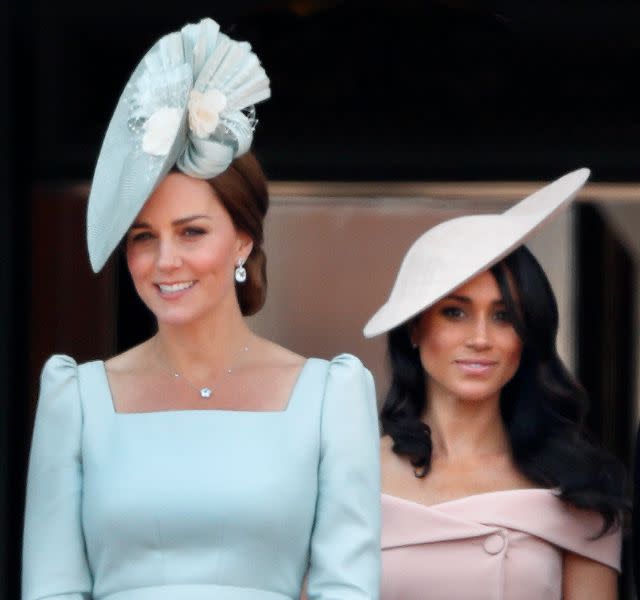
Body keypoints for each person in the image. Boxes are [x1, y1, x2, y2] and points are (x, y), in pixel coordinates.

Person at [22, 18, 380, 600]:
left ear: (242, 240)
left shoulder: (330, 396)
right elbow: (52, 589)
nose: (165, 261)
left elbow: (348, 588)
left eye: (191, 233)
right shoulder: (76, 399)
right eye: (143, 237)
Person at [363, 169, 626, 600]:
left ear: (528, 334)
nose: (480, 338)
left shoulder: (577, 486)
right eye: (455, 312)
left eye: (504, 316)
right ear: (414, 328)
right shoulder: (350, 475)